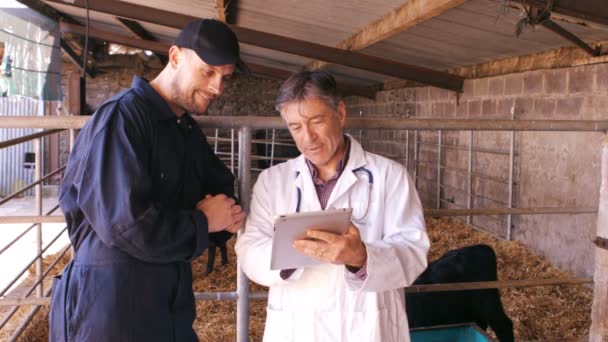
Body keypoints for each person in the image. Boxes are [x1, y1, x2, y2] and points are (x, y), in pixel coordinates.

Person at [49, 19, 246, 342]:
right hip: (110, 305)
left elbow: (223, 195)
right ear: (176, 57)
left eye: (225, 77)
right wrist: (201, 221)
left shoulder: (184, 130)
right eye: (208, 72)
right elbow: (126, 225)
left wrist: (215, 219)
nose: (217, 88)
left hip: (166, 302)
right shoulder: (122, 119)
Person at [235, 70, 430, 342]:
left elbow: (414, 251)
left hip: (365, 325)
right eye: (296, 127)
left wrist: (361, 257)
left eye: (316, 121)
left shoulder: (390, 176)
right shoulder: (272, 181)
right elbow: (248, 248)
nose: (308, 138)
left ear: (339, 113)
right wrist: (286, 257)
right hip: (297, 325)